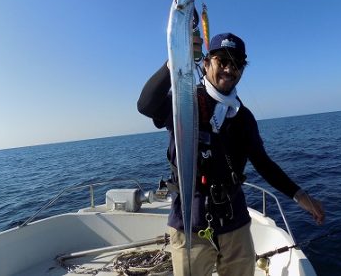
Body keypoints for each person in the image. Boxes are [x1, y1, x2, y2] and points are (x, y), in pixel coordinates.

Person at [137, 32, 325, 276]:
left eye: (236, 63)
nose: (229, 68)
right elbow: (146, 105)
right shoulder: (184, 102)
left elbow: (263, 163)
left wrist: (300, 196)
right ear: (205, 63)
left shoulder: (243, 117)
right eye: (221, 60)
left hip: (234, 220)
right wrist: (174, 62)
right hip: (190, 223)